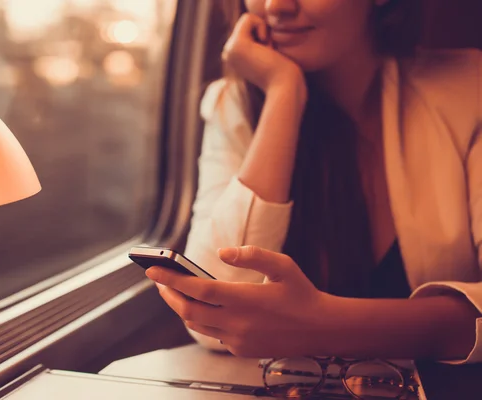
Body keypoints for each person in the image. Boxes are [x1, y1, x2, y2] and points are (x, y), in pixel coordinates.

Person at [145, 0, 482, 363]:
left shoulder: (469, 89)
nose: (276, 6)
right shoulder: (235, 104)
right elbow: (213, 306)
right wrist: (283, 93)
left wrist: (325, 325)